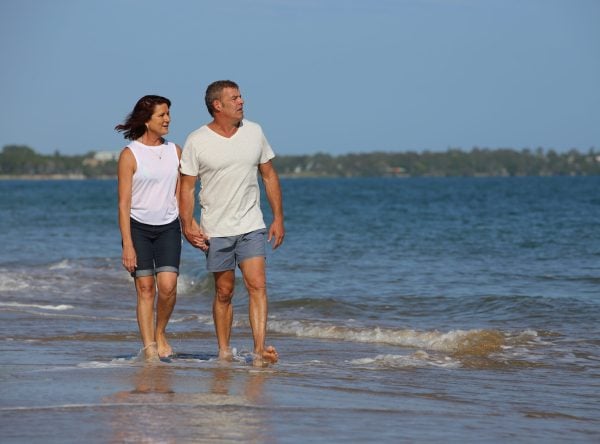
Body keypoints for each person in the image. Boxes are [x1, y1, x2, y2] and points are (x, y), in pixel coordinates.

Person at [179, 80, 284, 367]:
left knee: (257, 285)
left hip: (252, 224)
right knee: (224, 291)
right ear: (217, 105)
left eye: (240, 96)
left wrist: (278, 217)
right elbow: (186, 187)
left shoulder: (255, 132)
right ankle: (224, 350)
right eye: (235, 98)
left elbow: (269, 176)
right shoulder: (196, 140)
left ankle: (259, 349)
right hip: (216, 228)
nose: (242, 102)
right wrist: (187, 224)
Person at [115, 95, 182, 361]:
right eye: (161, 115)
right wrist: (128, 245)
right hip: (138, 229)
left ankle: (160, 331)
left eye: (168, 114)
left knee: (168, 287)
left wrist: (191, 224)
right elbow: (123, 204)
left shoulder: (175, 151)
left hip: (168, 227)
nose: (167, 119)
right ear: (146, 119)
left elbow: (181, 194)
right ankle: (149, 347)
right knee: (145, 289)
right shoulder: (130, 155)